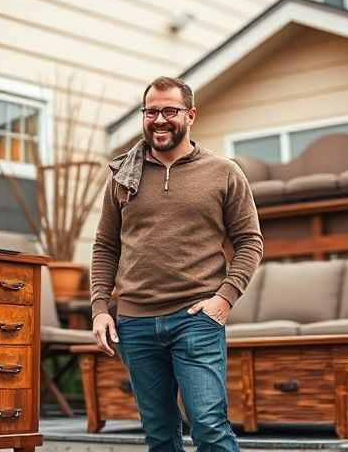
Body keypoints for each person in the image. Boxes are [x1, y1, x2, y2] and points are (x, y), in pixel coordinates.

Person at [90, 76, 264, 451]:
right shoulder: (123, 176)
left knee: (209, 427)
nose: (159, 119)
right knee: (160, 435)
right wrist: (100, 308)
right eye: (151, 112)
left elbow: (250, 242)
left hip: (196, 318)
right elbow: (105, 246)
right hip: (135, 324)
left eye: (170, 110)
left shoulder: (224, 172)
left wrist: (223, 300)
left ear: (191, 115)